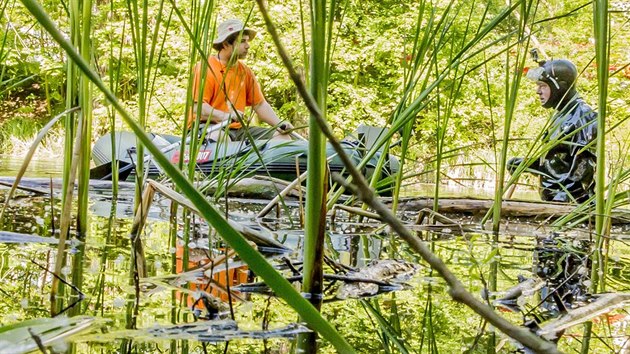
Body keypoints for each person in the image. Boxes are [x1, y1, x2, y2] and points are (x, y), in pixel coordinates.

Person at [508, 57, 597, 203]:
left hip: (573, 207)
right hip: (553, 203)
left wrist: (561, 200)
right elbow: (558, 164)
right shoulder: (562, 114)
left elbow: (584, 169)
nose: (538, 91)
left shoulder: (583, 115)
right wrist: (527, 165)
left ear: (560, 86)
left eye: (543, 86)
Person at [189, 19, 293, 141]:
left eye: (247, 41)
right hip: (207, 127)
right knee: (221, 138)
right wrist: (226, 116)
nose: (247, 46)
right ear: (226, 44)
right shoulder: (205, 68)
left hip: (238, 130)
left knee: (281, 136)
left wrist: (280, 123)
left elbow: (259, 104)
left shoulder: (245, 71)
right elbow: (198, 108)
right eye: (242, 41)